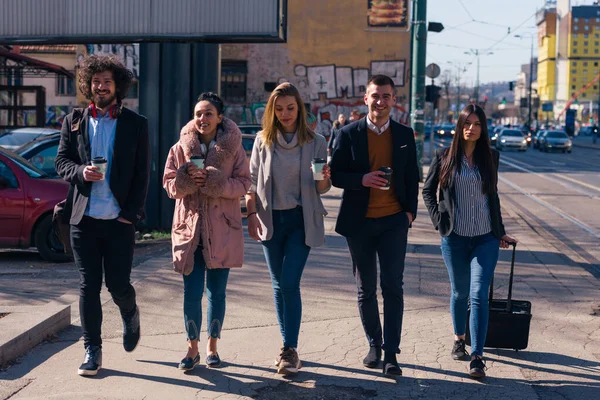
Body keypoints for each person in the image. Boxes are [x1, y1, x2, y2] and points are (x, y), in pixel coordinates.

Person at [55, 54, 150, 376]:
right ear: (88, 84)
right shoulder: (75, 120)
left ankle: (130, 312)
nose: (101, 86)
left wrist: (130, 215)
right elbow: (61, 163)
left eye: (107, 81)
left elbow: (141, 175)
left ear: (117, 86)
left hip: (119, 220)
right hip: (84, 219)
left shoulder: (136, 124)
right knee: (88, 286)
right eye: (96, 81)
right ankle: (92, 349)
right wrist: (82, 171)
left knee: (118, 285)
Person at [330, 75, 419, 376]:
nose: (380, 101)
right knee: (365, 288)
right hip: (359, 223)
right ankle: (374, 345)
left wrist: (409, 214)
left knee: (392, 286)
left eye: (386, 96)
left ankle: (392, 353)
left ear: (394, 101)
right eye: (375, 96)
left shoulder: (405, 134)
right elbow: (336, 175)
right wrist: (362, 180)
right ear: (365, 99)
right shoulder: (348, 133)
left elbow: (412, 177)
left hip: (394, 220)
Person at [422, 104, 517, 379]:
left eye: (477, 124)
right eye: (467, 123)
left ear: (482, 128)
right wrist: (439, 220)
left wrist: (499, 232)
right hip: (454, 237)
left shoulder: (491, 157)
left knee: (478, 295)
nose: (471, 128)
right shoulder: (445, 156)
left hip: (485, 238)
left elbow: (493, 196)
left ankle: (477, 356)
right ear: (460, 126)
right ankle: (458, 338)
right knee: (459, 293)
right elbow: (428, 191)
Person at [245, 82, 331, 375]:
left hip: (300, 220)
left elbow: (323, 187)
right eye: (279, 108)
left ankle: (290, 348)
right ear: (272, 110)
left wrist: (323, 177)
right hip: (270, 220)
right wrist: (251, 213)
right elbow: (252, 179)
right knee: (279, 285)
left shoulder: (316, 141)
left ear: (299, 108)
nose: (285, 113)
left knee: (290, 282)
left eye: (290, 108)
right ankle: (287, 345)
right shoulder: (262, 140)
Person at [163, 93, 251, 371]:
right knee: (191, 292)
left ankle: (213, 347)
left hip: (222, 229)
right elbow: (168, 185)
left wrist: (216, 183)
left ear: (220, 117)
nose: (203, 118)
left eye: (209, 113)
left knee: (217, 292)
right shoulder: (180, 147)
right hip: (190, 230)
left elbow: (244, 183)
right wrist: (186, 179)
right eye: (199, 113)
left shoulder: (234, 149)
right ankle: (192, 349)